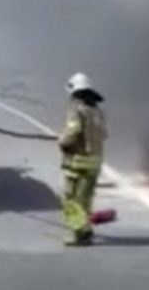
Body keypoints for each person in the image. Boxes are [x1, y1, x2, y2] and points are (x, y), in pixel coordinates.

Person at [58, 72, 107, 246]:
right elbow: (103, 135)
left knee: (72, 200)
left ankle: (78, 234)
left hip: (78, 163)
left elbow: (72, 133)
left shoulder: (77, 110)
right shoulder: (97, 111)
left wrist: (62, 141)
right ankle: (86, 230)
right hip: (94, 163)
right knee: (86, 199)